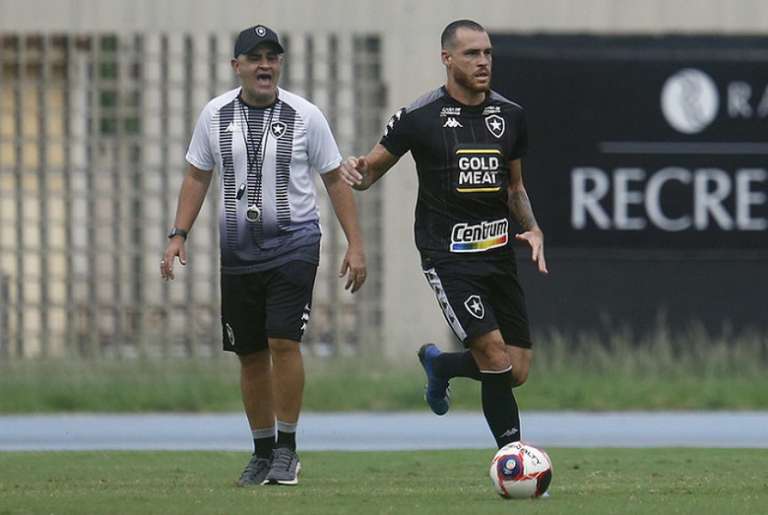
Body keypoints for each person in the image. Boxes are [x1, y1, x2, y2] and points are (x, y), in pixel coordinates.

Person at [161, 24, 366, 486]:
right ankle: (261, 451)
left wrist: (356, 243)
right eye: (254, 58)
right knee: (250, 353)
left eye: (272, 57)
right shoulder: (214, 116)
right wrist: (178, 234)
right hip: (238, 253)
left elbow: (335, 178)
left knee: (282, 341)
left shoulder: (306, 115)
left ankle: (287, 451)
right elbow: (197, 176)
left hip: (295, 244)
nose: (265, 65)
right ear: (237, 67)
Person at [339, 19, 547, 451]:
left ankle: (441, 365)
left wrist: (533, 229)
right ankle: (513, 458)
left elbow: (515, 188)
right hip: (448, 256)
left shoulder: (510, 116)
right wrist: (354, 169)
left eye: (488, 53)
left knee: (518, 368)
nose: (483, 62)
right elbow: (369, 174)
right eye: (472, 54)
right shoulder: (419, 117)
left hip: (498, 254)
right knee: (493, 354)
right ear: (447, 58)